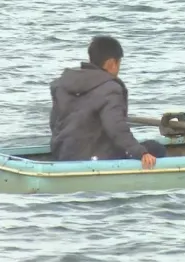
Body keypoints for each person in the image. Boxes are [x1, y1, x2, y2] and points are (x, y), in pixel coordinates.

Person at [49, 35, 167, 167]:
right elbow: (116, 128)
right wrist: (141, 153)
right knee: (155, 148)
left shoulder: (62, 86)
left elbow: (54, 124)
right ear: (112, 63)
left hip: (63, 156)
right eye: (119, 64)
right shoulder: (110, 89)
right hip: (98, 159)